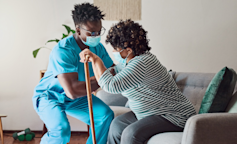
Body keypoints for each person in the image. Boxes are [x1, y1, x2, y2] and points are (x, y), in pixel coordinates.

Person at [79, 19, 196, 144]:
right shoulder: (130, 62)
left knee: (131, 134)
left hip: (173, 115)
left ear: (128, 50)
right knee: (117, 125)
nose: (114, 52)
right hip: (149, 113)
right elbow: (113, 72)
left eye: (116, 49)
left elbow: (111, 85)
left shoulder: (142, 62)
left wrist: (96, 60)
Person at [32, 3, 114, 144]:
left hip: (78, 96)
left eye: (99, 32)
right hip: (50, 96)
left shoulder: (98, 48)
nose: (96, 36)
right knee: (61, 131)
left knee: (105, 115)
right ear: (78, 29)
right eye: (91, 32)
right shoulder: (63, 50)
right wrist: (102, 79)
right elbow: (72, 91)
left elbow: (113, 70)